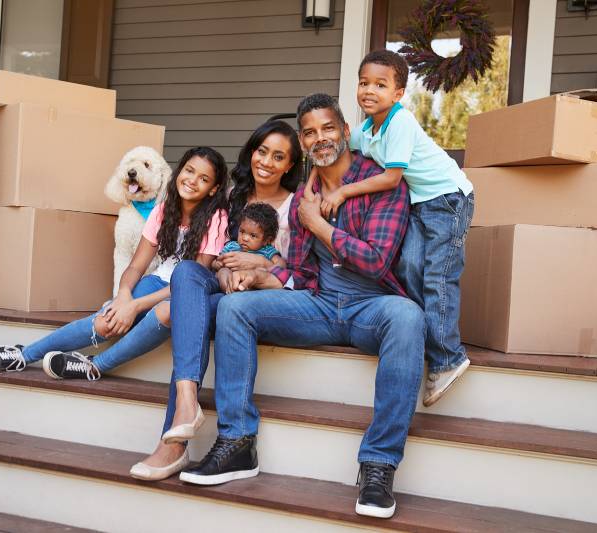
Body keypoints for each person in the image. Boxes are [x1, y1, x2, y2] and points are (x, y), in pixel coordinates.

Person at [180, 93, 425, 520]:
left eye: (328, 128)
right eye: (309, 132)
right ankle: (237, 443)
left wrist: (319, 224)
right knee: (234, 309)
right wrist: (258, 277)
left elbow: (375, 260)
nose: (319, 138)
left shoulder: (384, 184)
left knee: (409, 316)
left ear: (346, 132)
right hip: (318, 304)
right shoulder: (305, 194)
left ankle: (379, 465)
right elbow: (297, 270)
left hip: (372, 307)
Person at [130, 120, 302, 480]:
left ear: (289, 165)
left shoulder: (297, 205)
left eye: (278, 156)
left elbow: (300, 269)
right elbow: (219, 254)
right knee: (186, 273)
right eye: (261, 151)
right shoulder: (233, 198)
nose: (266, 162)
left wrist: (259, 264)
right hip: (225, 289)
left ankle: (171, 446)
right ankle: (187, 405)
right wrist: (224, 272)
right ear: (250, 151)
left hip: (264, 296)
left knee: (189, 313)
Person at [304, 49, 475, 407]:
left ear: (398, 93)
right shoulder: (367, 128)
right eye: (364, 83)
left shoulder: (400, 123)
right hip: (419, 203)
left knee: (438, 276)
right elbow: (327, 151)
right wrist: (311, 185)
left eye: (380, 85)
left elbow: (391, 177)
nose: (369, 90)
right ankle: (422, 337)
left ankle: (448, 357)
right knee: (409, 265)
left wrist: (346, 190)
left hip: (447, 200)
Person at [0, 146, 228, 385]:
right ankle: (24, 355)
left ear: (214, 189)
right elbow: (135, 267)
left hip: (187, 292)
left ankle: (95, 365)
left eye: (203, 179)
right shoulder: (163, 211)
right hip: (158, 281)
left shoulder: (216, 219)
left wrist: (135, 306)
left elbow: (190, 281)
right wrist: (123, 297)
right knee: (108, 319)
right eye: (189, 171)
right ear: (180, 171)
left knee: (162, 313)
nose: (192, 180)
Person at [213, 203, 285, 289]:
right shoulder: (231, 246)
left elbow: (282, 264)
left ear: (267, 240)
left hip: (253, 282)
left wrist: (267, 268)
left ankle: (243, 288)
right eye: (242, 231)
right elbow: (216, 261)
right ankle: (229, 288)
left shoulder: (267, 250)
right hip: (231, 278)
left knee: (260, 272)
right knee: (223, 271)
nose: (245, 238)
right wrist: (217, 264)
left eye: (253, 235)